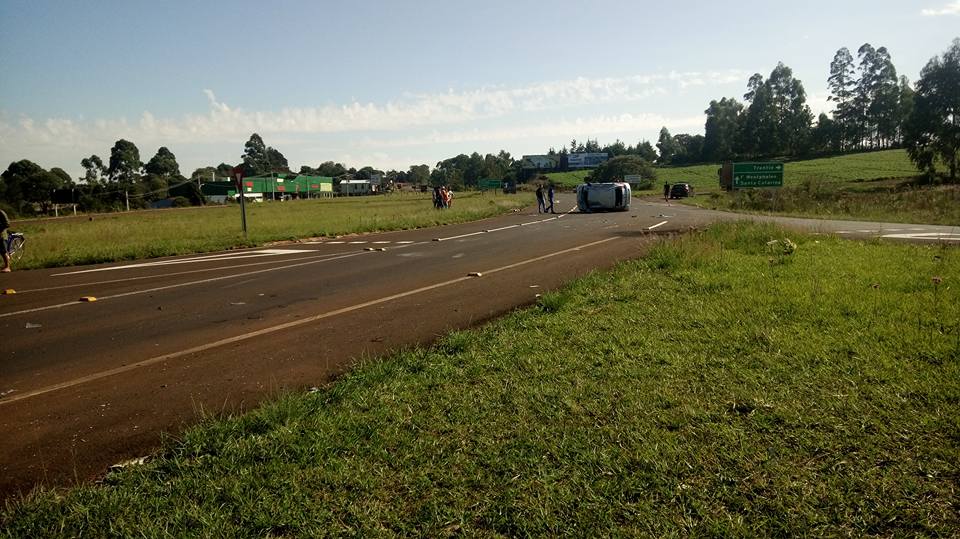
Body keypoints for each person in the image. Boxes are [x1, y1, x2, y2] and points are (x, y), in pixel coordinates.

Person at [0, 209, 11, 273]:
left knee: (3, 251)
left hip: (1, 235)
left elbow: (7, 224)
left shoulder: (1, 212)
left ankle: (7, 267)